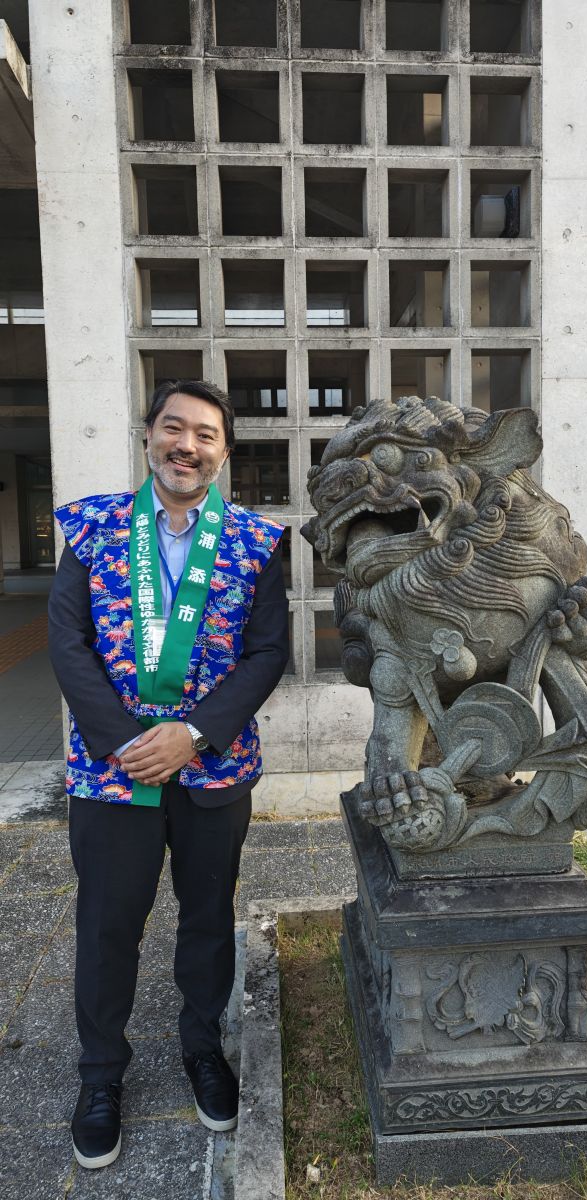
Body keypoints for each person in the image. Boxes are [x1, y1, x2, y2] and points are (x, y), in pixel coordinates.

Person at [48, 379, 289, 1170]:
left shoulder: (256, 541)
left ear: (223, 452)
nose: (187, 445)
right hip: (110, 772)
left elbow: (264, 653)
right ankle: (100, 1078)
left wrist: (192, 733)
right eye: (173, 428)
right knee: (108, 926)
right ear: (148, 435)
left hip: (212, 769)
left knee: (207, 916)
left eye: (205, 435)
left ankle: (202, 1050)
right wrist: (128, 741)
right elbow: (70, 644)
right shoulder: (90, 529)